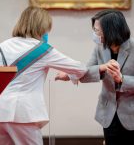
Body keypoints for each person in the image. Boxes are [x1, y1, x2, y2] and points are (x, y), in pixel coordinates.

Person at [0, 6, 87, 145]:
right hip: (24, 115)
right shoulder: (43, 50)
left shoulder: (1, 46)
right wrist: (69, 75)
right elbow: (80, 69)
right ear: (41, 27)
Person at [55, 9, 134, 145]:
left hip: (131, 113)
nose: (95, 35)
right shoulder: (100, 47)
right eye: (94, 30)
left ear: (112, 30)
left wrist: (121, 79)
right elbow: (87, 72)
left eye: (98, 31)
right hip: (108, 113)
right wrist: (71, 75)